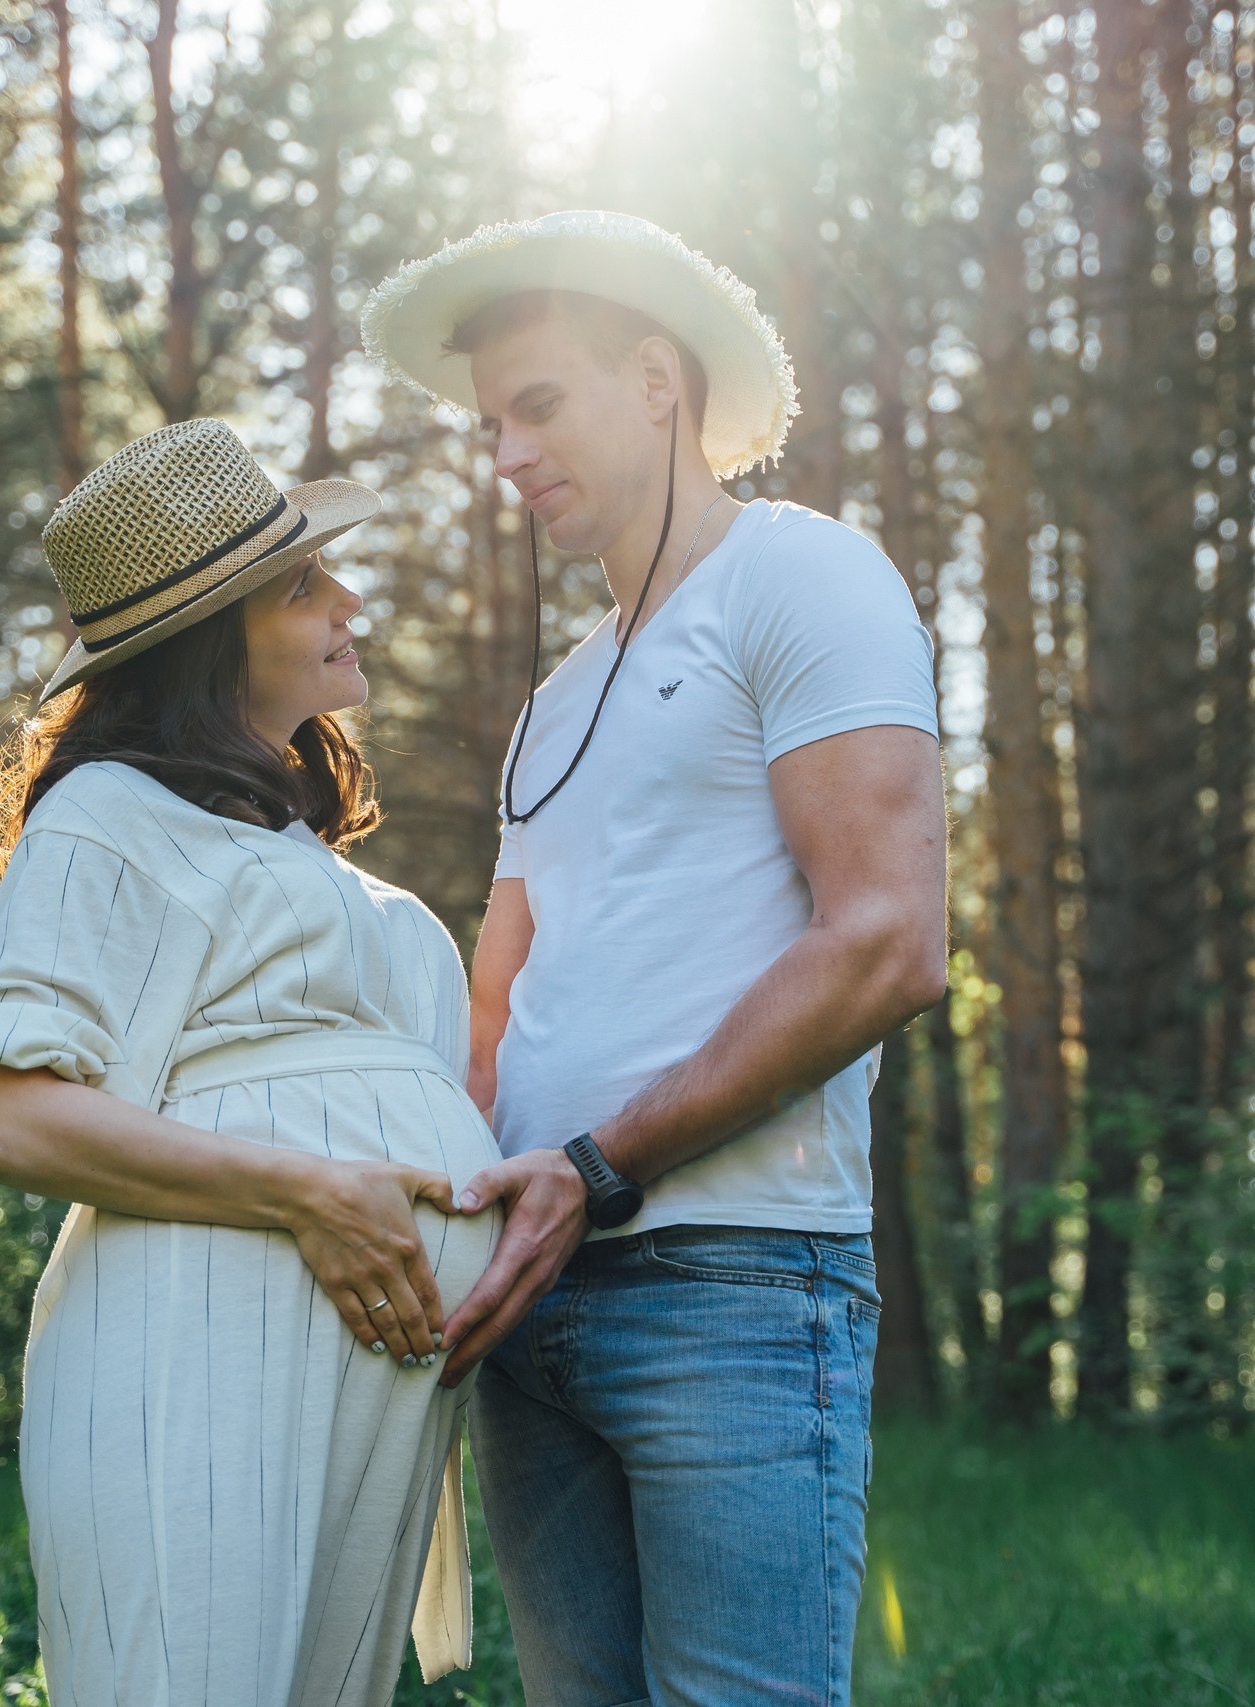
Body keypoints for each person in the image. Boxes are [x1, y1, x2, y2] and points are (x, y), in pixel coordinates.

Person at [361, 211, 951, 1706]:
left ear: (654, 380)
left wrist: (599, 1166)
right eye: (491, 425)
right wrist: (449, 1216)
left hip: (735, 1284)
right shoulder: (556, 699)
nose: (507, 455)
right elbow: (499, 1002)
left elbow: (888, 943)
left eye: (537, 405)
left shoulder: (804, 578)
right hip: (531, 1296)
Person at [0, 418, 495, 1706]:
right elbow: (7, 1118)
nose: (351, 600)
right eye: (305, 585)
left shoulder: (292, 852)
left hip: (368, 1358)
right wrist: (311, 1192)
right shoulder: (105, 812)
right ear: (208, 637)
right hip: (196, 1344)